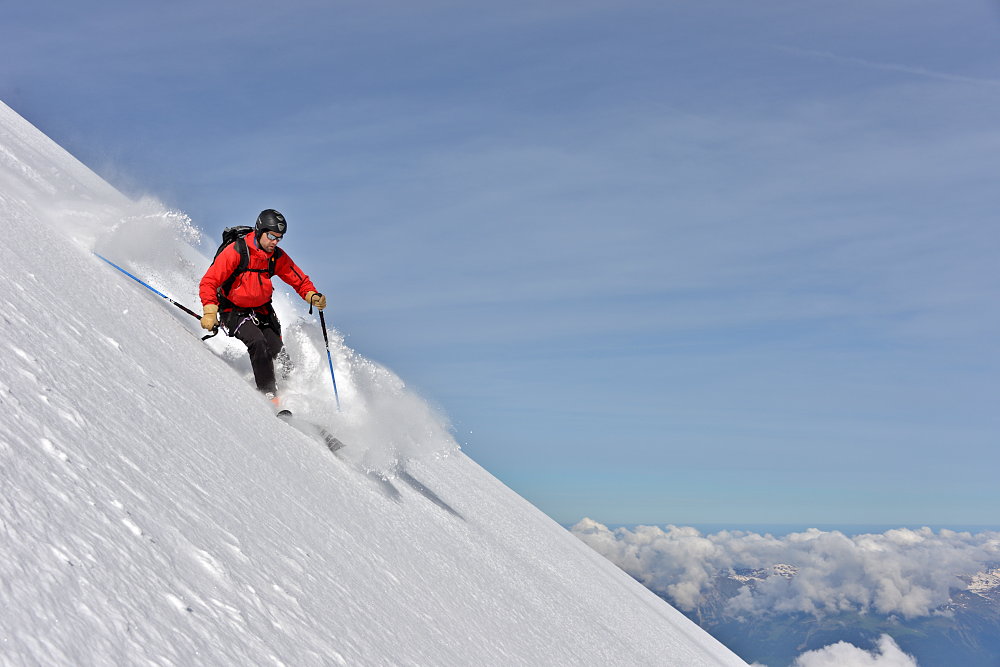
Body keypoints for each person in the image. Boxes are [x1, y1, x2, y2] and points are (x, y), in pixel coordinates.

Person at [199, 209, 326, 403]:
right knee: (258, 343)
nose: (275, 242)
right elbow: (209, 281)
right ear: (260, 230)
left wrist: (311, 295)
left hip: (262, 310)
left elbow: (298, 279)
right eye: (271, 236)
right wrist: (209, 311)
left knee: (278, 351)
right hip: (232, 310)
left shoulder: (275, 256)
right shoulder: (237, 251)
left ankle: (294, 389)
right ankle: (270, 395)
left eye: (279, 238)